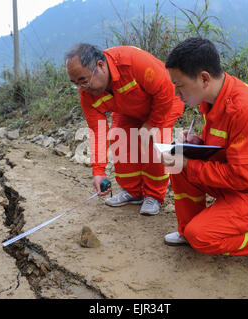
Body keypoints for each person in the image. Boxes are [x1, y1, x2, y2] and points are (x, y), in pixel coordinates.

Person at [161, 37, 248, 269]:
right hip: (243, 182)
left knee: (202, 237)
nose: (177, 94)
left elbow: (239, 176)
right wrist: (198, 144)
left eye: (180, 85)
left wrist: (188, 163)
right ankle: (186, 230)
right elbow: (227, 147)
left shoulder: (245, 109)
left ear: (204, 78)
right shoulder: (213, 99)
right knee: (178, 164)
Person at [65, 43, 184, 216]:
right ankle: (133, 192)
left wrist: (152, 124)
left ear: (100, 65)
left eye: (83, 80)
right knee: (120, 140)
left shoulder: (133, 62)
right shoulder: (86, 94)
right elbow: (97, 131)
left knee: (152, 145)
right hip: (128, 109)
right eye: (75, 83)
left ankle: (154, 196)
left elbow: (166, 90)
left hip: (164, 104)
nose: (81, 88)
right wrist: (98, 172)